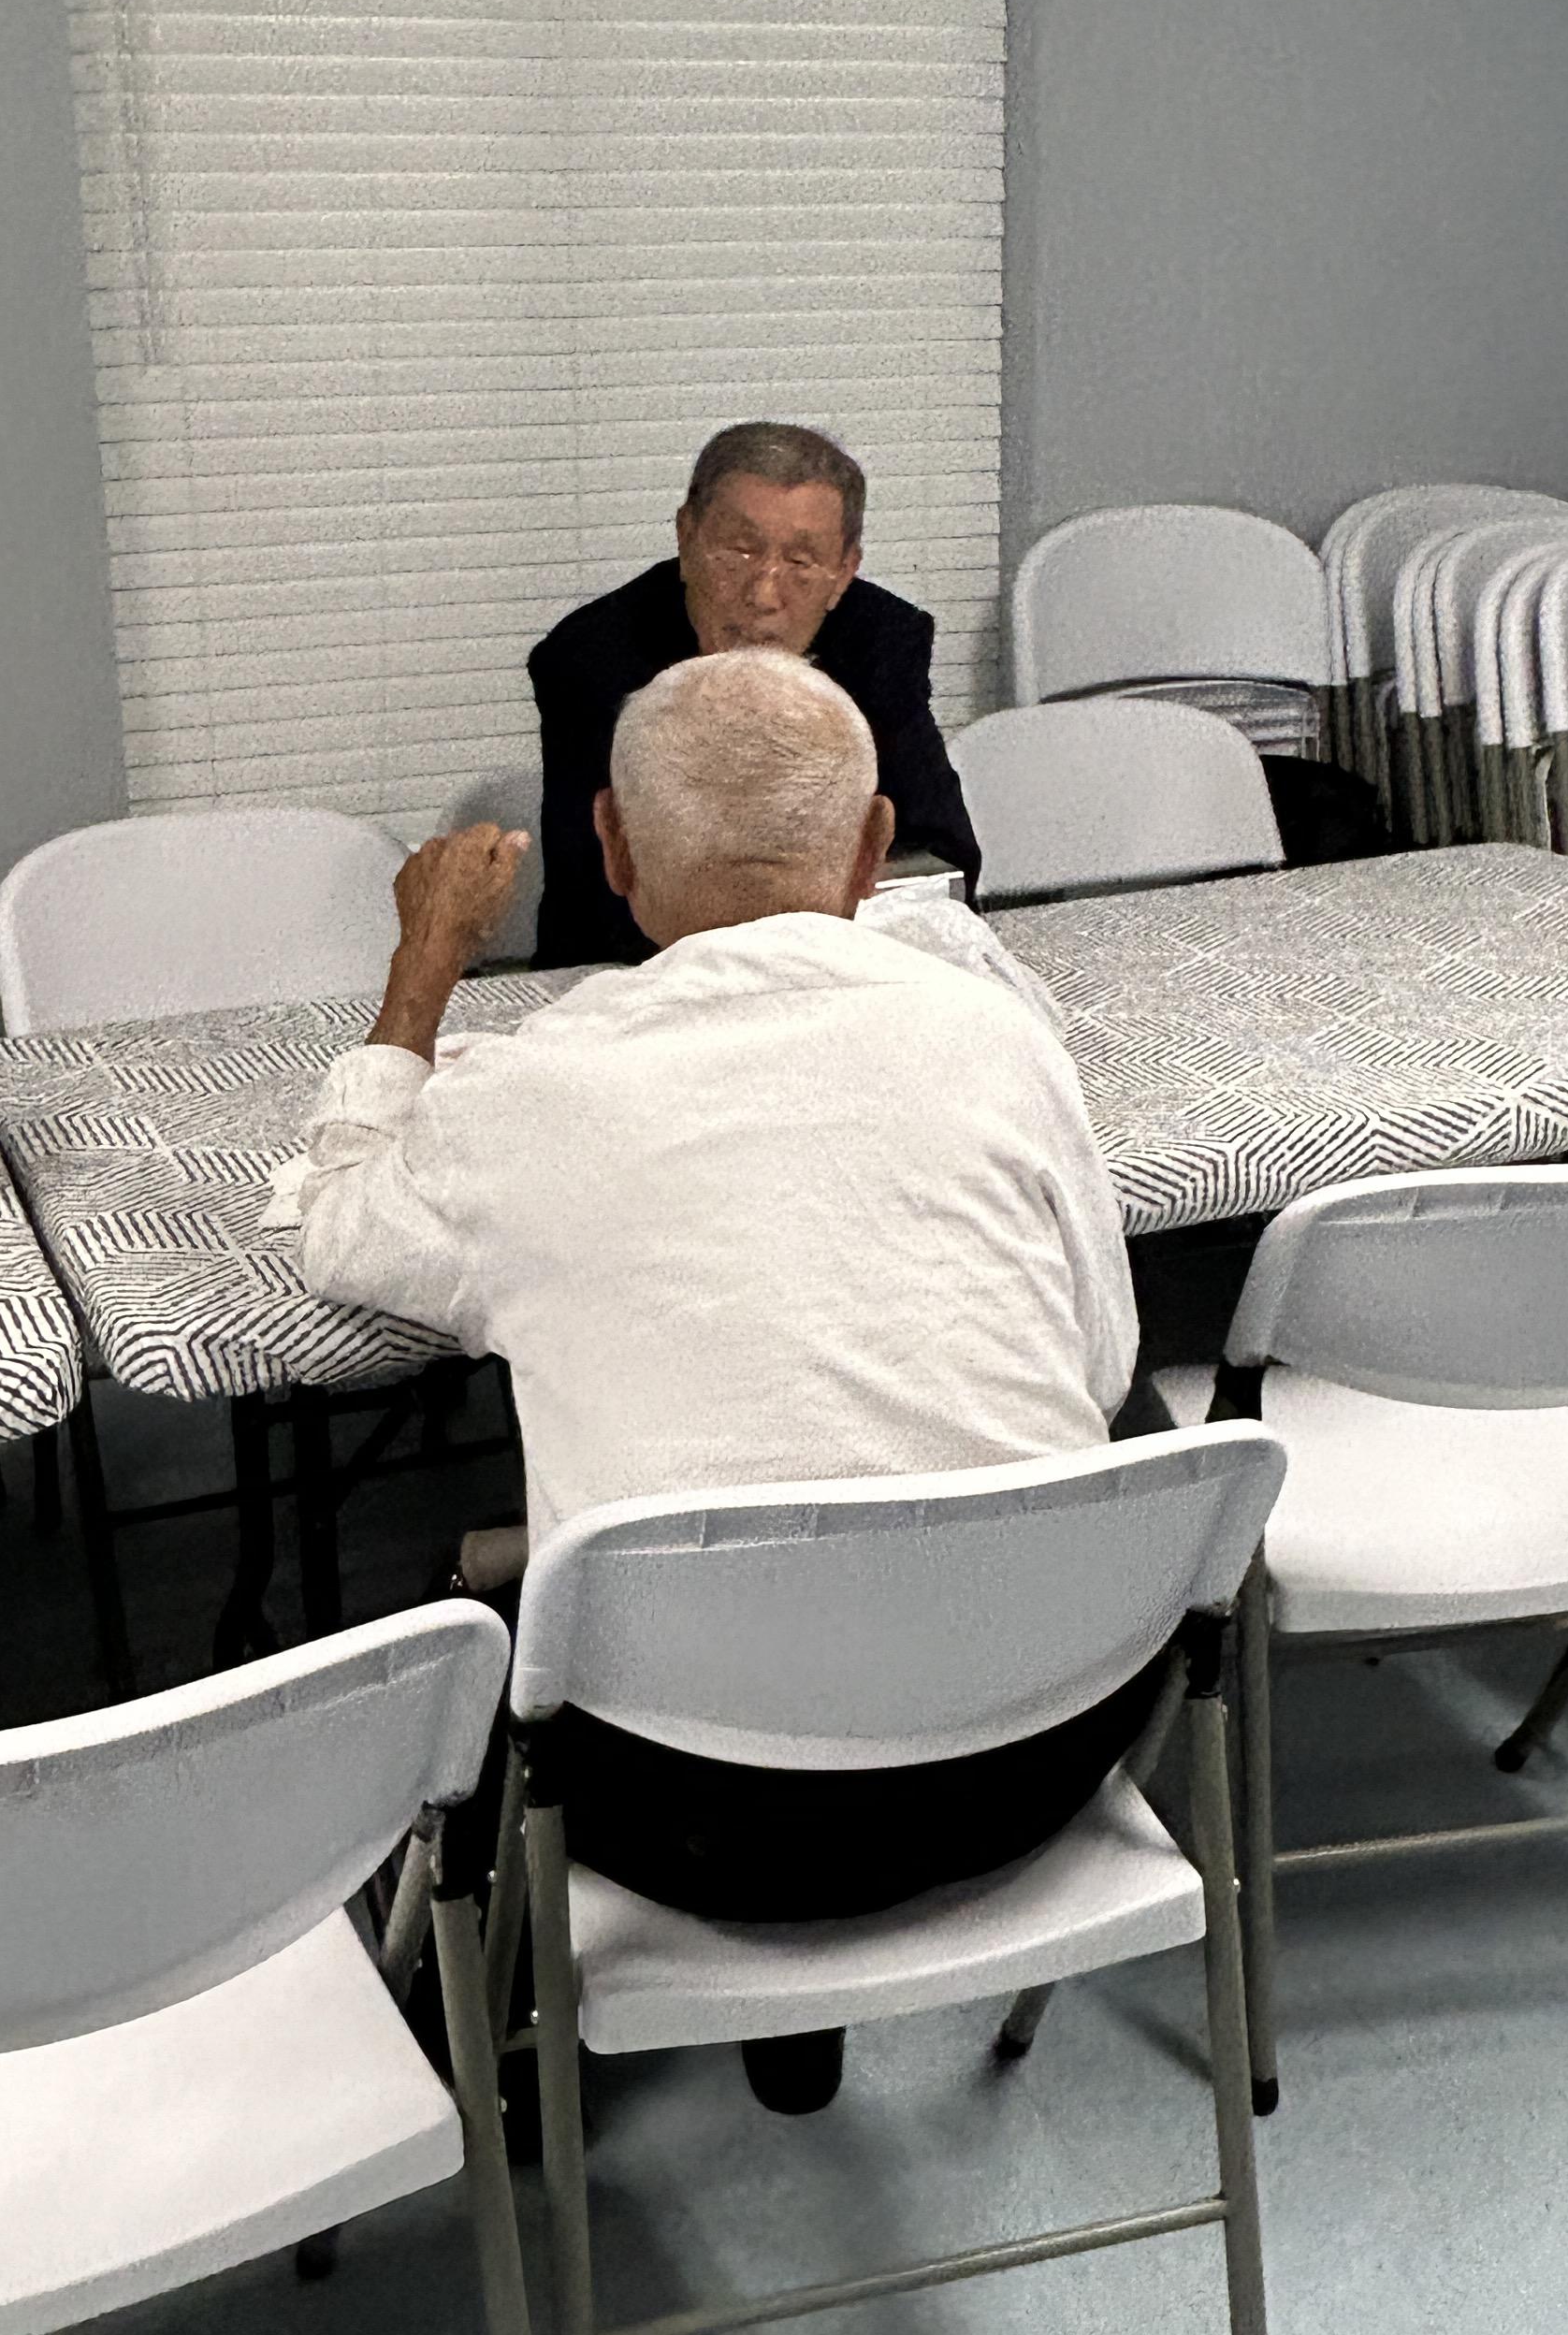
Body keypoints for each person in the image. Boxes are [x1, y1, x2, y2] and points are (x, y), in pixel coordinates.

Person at [278, 648, 1140, 2112]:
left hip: (697, 1814)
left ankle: (491, 2073)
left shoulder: (529, 1094)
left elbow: (335, 1231)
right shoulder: (1001, 1038)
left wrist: (424, 966)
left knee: (486, 1615)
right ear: (874, 849)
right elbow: (1101, 1364)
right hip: (1047, 1748)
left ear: (609, 848)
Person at [527, 420, 981, 969]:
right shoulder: (590, 661)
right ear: (686, 537)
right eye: (739, 551)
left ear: (844, 572)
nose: (764, 594)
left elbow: (940, 857)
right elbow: (598, 894)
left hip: (833, 966)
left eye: (800, 563)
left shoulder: (882, 643)